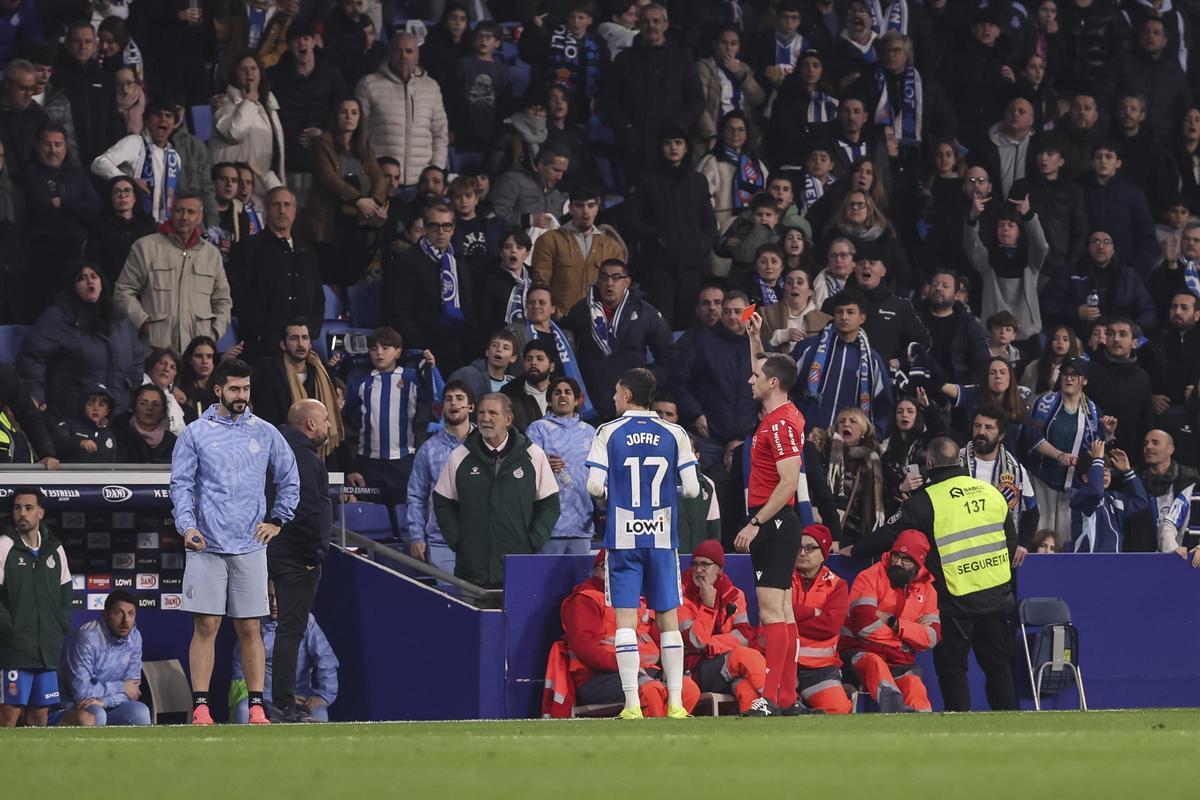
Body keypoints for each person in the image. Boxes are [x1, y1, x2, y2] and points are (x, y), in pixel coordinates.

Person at [169, 359, 300, 725]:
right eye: (234, 389)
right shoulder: (195, 433)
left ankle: (257, 706)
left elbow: (290, 478)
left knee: (250, 627)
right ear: (218, 390)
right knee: (206, 626)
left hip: (250, 546)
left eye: (245, 389)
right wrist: (186, 527)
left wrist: (277, 519)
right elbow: (181, 485)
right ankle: (200, 708)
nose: (241, 396)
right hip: (206, 546)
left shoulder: (265, 432)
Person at [845, 437, 1018, 711]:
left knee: (953, 669)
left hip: (956, 599)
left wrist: (854, 550)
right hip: (997, 596)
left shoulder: (927, 500)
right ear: (959, 461)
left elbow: (889, 534)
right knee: (999, 667)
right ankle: (1012, 727)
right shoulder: (990, 492)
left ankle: (959, 727)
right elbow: (1010, 541)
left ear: (929, 464)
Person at [584, 367, 699, 719]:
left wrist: (612, 494)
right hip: (662, 537)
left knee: (625, 622)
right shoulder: (674, 432)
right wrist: (668, 493)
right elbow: (693, 489)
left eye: (617, 392)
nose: (613, 398)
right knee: (668, 620)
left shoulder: (608, 432)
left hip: (623, 537)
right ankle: (676, 704)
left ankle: (632, 705)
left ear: (628, 395)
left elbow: (592, 486)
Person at [733, 343, 813, 715]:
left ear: (774, 382)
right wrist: (755, 338)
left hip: (774, 521)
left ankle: (770, 697)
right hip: (781, 522)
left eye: (757, 377)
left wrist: (755, 522)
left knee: (771, 614)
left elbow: (788, 482)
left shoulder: (779, 424)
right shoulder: (785, 413)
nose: (751, 379)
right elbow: (767, 367)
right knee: (783, 611)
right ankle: (785, 696)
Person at [547, 549, 700, 718]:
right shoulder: (585, 600)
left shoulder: (637, 601)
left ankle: (674, 740)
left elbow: (657, 639)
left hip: (645, 670)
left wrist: (666, 668)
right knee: (650, 690)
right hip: (597, 677)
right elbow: (586, 650)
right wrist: (631, 666)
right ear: (601, 569)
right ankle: (654, 741)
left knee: (687, 688)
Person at [434, 393, 560, 588]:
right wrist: (458, 541)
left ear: (508, 419)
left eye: (493, 413)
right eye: (482, 413)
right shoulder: (460, 456)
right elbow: (443, 502)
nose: (485, 418)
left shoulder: (533, 455)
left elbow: (549, 503)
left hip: (518, 568)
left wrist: (533, 540)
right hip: (472, 571)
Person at [266, 399, 333, 722]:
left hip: (270, 551)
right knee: (290, 630)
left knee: (259, 627)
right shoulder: (303, 457)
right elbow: (307, 509)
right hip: (295, 556)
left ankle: (263, 700)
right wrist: (312, 554)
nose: (329, 427)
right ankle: (281, 703)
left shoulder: (273, 448)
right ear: (309, 425)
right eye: (325, 420)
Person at [17, 262, 144, 423]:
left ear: (102, 283)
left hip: (116, 415)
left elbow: (138, 356)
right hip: (70, 416)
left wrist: (131, 389)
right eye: (82, 278)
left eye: (94, 277)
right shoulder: (58, 317)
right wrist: (36, 395)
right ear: (73, 286)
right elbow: (31, 358)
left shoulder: (119, 319)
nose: (90, 282)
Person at [113, 192, 232, 353]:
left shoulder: (211, 254)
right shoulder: (145, 246)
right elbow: (123, 291)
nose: (184, 217)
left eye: (191, 212)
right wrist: (143, 323)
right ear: (171, 212)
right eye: (179, 211)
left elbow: (223, 300)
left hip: (197, 352)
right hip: (156, 350)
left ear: (200, 216)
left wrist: (213, 333)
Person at [623, 127, 717, 329]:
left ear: (686, 148)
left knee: (689, 325)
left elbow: (709, 223)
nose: (673, 147)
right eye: (667, 143)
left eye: (678, 142)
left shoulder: (697, 181)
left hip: (692, 265)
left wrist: (701, 245)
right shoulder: (646, 180)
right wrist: (657, 238)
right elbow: (631, 221)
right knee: (661, 324)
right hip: (658, 265)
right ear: (660, 148)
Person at [561, 259, 676, 420]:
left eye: (616, 278)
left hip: (632, 402)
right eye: (604, 277)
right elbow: (562, 346)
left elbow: (668, 355)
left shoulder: (645, 313)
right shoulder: (582, 310)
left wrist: (650, 378)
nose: (609, 283)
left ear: (627, 282)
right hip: (589, 403)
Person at [839, 530, 939, 713]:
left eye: (906, 559)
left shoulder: (928, 591)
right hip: (858, 653)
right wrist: (903, 645)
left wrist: (894, 622)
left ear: (919, 564)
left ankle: (926, 732)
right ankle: (896, 711)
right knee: (874, 662)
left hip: (899, 662)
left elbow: (932, 637)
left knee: (914, 686)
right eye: (896, 555)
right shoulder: (869, 576)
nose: (898, 562)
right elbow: (865, 626)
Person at [342, 326, 440, 512]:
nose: (379, 353)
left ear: (398, 352)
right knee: (371, 516)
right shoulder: (360, 382)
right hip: (368, 464)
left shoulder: (413, 378)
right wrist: (352, 465)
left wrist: (431, 370)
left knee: (406, 516)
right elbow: (347, 421)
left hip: (403, 462)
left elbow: (434, 402)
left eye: (385, 348)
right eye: (373, 348)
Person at [0, 488, 72, 728]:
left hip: (46, 652)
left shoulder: (55, 549)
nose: (22, 513)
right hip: (14, 651)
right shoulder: (5, 546)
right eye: (17, 508)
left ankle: (35, 765)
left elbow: (66, 593)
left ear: (41, 512)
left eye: (29, 508)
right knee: (9, 715)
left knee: (40, 717)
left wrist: (59, 626)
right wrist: (10, 629)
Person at [228, 187, 324, 362]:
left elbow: (318, 298)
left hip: (301, 350)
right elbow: (240, 295)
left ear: (294, 211)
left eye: (287, 205)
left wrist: (310, 333)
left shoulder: (307, 252)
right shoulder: (248, 249)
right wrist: (267, 331)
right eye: (276, 205)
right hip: (261, 349)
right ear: (266, 210)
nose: (282, 210)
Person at [603, 3, 703, 169]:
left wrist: (678, 126)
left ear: (666, 25)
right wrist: (626, 129)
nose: (651, 26)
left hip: (670, 149)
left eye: (656, 21)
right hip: (633, 149)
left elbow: (696, 100)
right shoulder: (624, 60)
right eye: (646, 21)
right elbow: (610, 100)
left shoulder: (682, 59)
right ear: (639, 24)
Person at [677, 540, 770, 716]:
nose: (698, 570)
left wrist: (711, 645)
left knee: (746, 687)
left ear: (719, 569)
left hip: (725, 666)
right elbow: (694, 642)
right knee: (743, 655)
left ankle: (758, 729)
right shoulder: (680, 596)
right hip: (694, 670)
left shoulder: (734, 594)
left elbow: (744, 636)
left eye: (705, 564)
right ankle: (776, 700)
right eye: (695, 564)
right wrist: (708, 607)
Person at [302, 97, 387, 289]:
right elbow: (328, 178)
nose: (349, 117)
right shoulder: (323, 141)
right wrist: (358, 199)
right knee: (328, 276)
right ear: (335, 116)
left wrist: (374, 202)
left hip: (357, 222)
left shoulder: (364, 145)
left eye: (354, 112)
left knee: (351, 273)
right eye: (344, 112)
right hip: (329, 220)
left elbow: (379, 178)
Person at [383, 204, 476, 374]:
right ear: (425, 228)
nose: (441, 232)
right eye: (434, 226)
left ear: (453, 229)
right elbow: (399, 311)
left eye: (446, 226)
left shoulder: (458, 262)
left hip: (457, 348)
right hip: (424, 349)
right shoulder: (407, 261)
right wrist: (421, 347)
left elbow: (467, 306)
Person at [267, 20, 347, 209]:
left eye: (306, 38)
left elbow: (343, 112)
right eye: (296, 40)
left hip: (321, 164)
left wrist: (323, 133)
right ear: (289, 45)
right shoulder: (275, 75)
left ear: (314, 41)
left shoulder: (332, 75)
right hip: (287, 163)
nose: (302, 44)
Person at [673, 290, 758, 468]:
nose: (732, 317)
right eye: (727, 312)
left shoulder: (759, 344)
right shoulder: (703, 343)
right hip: (711, 437)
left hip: (749, 437)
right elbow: (680, 380)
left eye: (737, 311)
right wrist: (695, 413)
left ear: (749, 311)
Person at [791, 289, 893, 436]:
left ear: (862, 318)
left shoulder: (872, 361)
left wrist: (873, 438)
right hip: (805, 438)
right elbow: (785, 386)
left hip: (850, 445)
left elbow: (882, 404)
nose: (844, 317)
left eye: (850, 312)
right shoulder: (809, 348)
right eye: (839, 312)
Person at [355, 32, 448, 191]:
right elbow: (359, 134)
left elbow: (440, 133)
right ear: (390, 54)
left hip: (421, 187)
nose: (404, 56)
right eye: (398, 51)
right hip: (380, 183)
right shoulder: (369, 84)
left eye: (409, 51)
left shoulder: (432, 87)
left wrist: (435, 170)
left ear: (417, 57)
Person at [230, 588, 338, 723]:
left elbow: (326, 659)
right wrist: (271, 699)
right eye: (269, 597)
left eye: (279, 596)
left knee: (320, 714)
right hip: (261, 699)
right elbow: (239, 674)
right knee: (243, 709)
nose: (274, 603)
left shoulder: (305, 621)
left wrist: (325, 696)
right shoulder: (253, 625)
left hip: (300, 697)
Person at [22, 122, 100, 302]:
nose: (53, 150)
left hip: (75, 259)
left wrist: (65, 203)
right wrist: (79, 211)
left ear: (66, 146)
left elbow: (95, 208)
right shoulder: (29, 175)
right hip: (41, 262)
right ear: (37, 145)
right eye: (47, 144)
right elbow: (43, 213)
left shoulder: (76, 174)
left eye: (58, 145)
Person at [964, 191, 1049, 353]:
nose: (1005, 229)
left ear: (1019, 231)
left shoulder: (1031, 262)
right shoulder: (987, 260)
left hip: (1027, 337)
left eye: (1011, 225)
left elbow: (1041, 246)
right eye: (1001, 225)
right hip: (993, 338)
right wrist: (972, 217)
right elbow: (971, 244)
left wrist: (1029, 216)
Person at [405, 380, 475, 575]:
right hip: (440, 541)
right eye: (448, 399)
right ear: (441, 407)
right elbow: (416, 496)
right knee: (451, 601)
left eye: (459, 398)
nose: (453, 403)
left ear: (470, 406)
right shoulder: (428, 449)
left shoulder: (486, 444)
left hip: (481, 541)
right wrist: (417, 536)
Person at [91, 94, 190, 224]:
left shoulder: (175, 157)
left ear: (174, 124)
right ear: (147, 120)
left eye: (168, 116)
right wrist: (129, 182)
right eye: (157, 114)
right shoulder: (134, 142)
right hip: (132, 223)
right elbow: (98, 164)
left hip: (161, 228)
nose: (163, 120)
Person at [1041, 230, 1157, 339]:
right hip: (1080, 340)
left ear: (1113, 249)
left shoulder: (1130, 277)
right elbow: (1047, 306)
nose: (1101, 246)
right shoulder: (1068, 273)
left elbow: (1148, 311)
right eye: (1096, 241)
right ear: (1088, 246)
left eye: (1107, 241)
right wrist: (1076, 313)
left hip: (1121, 342)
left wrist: (1132, 330)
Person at [526, 375, 597, 554]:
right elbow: (526, 469)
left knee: (581, 582)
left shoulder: (591, 432)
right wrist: (542, 465)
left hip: (582, 525)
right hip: (549, 527)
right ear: (550, 399)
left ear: (577, 400)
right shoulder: (538, 429)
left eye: (568, 392)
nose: (563, 396)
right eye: (557, 393)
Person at [58, 589, 149, 727]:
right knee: (97, 715)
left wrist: (106, 702)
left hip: (108, 703)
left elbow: (133, 690)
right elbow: (82, 693)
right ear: (105, 614)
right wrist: (121, 686)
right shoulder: (87, 637)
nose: (126, 620)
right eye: (119, 613)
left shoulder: (135, 637)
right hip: (75, 706)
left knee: (140, 712)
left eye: (131, 614)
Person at [531, 184, 624, 315]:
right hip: (561, 321)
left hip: (599, 323)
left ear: (597, 207)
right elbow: (540, 283)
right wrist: (553, 313)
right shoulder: (549, 240)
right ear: (570, 208)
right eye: (579, 205)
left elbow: (618, 288)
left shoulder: (611, 247)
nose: (586, 211)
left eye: (591, 205)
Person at [961, 405, 1039, 559]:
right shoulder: (955, 461)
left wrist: (1023, 545)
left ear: (1001, 435)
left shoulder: (1015, 470)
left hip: (1000, 553)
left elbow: (1031, 511)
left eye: (989, 427)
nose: (981, 432)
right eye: (977, 426)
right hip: (962, 550)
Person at [790, 523, 851, 715]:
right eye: (799, 547)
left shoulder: (838, 585)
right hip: (780, 662)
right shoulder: (781, 576)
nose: (803, 553)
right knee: (776, 708)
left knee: (839, 710)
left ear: (823, 553)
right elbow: (776, 613)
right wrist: (813, 612)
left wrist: (794, 617)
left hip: (819, 668)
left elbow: (830, 626)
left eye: (810, 548)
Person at [210, 52, 286, 197]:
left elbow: (278, 149)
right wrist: (249, 103)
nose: (249, 73)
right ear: (234, 74)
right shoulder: (225, 103)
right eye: (243, 69)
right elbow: (235, 133)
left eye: (253, 68)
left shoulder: (268, 104)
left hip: (261, 185)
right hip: (235, 189)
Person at [55, 20, 123, 167]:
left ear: (95, 45)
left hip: (101, 159)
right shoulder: (57, 78)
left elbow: (113, 120)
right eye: (77, 41)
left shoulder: (104, 79)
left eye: (87, 41)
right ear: (67, 43)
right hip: (68, 160)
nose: (83, 46)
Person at [1085, 317, 1156, 458]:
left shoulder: (1142, 378)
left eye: (1122, 334)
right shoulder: (1089, 370)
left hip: (1127, 457)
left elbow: (1145, 421)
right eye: (1111, 334)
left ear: (1134, 342)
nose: (1116, 339)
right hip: (1089, 452)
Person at [695, 25, 767, 154]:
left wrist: (740, 74)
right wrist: (711, 135)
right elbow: (700, 105)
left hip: (742, 134)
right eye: (724, 43)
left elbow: (759, 98)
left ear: (739, 47)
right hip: (716, 131)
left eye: (733, 44)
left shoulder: (743, 67)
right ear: (715, 45)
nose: (729, 48)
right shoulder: (704, 67)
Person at [1070, 440, 1149, 553]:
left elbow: (1140, 502)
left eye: (1107, 470)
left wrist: (1128, 471)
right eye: (1101, 470)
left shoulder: (1113, 499)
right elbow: (1095, 492)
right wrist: (1097, 459)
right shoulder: (1080, 497)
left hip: (1113, 563)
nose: (1106, 474)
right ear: (1086, 478)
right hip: (1087, 564)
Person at [917, 269, 989, 385]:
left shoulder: (968, 324)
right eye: (934, 284)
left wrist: (963, 392)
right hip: (916, 385)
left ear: (956, 294)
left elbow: (982, 363)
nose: (938, 288)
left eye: (945, 286)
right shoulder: (913, 316)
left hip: (954, 389)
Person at [86, 175, 156, 285]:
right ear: (111, 198)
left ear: (135, 197)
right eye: (117, 192)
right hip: (112, 285)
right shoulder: (99, 227)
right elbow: (93, 261)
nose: (122, 196)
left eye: (127, 191)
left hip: (145, 285)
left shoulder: (148, 224)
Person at [489, 142, 570, 230]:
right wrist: (528, 220)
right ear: (541, 164)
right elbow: (493, 218)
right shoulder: (512, 181)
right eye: (556, 170)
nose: (560, 177)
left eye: (563, 172)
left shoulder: (555, 193)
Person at [51, 383, 117, 464]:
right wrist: (79, 443)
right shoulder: (68, 426)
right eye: (90, 404)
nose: (95, 408)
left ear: (107, 411)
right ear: (83, 406)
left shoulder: (109, 436)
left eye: (101, 405)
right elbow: (57, 443)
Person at [501, 339, 557, 432]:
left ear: (551, 367)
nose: (533, 363)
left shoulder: (562, 393)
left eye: (540, 359)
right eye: (528, 359)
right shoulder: (508, 395)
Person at [113, 383, 177, 463]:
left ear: (163, 411)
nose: (149, 408)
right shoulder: (119, 435)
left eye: (156, 404)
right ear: (134, 407)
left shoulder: (172, 442)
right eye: (143, 403)